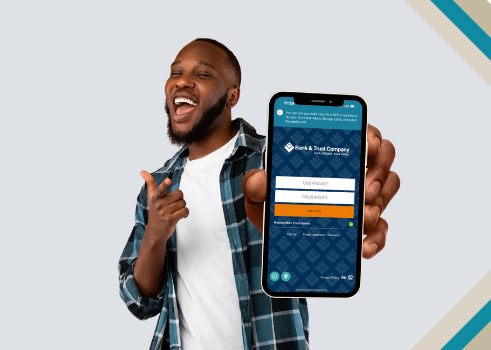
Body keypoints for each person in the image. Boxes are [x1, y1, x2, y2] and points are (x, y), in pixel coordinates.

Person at [117, 38, 401, 350]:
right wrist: (155, 235)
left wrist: (344, 180)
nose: (182, 81)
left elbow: (319, 246)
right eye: (175, 73)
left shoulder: (276, 162)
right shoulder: (158, 186)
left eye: (203, 74)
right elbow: (138, 302)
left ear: (232, 95)